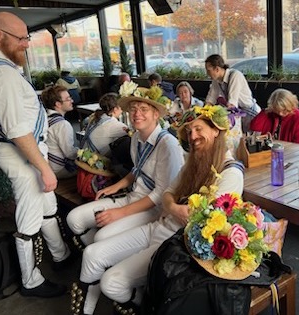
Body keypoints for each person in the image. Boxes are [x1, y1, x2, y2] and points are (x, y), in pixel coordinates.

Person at [69, 104, 244, 315]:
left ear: (216, 130)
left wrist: (173, 208)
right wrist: (174, 208)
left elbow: (205, 223)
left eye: (198, 129)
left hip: (177, 245)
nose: (193, 136)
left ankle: (143, 304)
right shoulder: (195, 162)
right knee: (91, 253)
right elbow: (167, 194)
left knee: (111, 283)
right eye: (189, 132)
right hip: (159, 225)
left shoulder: (230, 173)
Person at [0, 12, 71, 298]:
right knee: (29, 221)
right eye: (21, 38)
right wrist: (45, 168)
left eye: (27, 38)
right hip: (23, 155)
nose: (26, 44)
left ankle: (61, 254)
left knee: (47, 207)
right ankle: (31, 281)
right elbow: (17, 130)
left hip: (27, 153)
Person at [66, 82, 184, 248]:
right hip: (131, 195)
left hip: (154, 209)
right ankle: (95, 250)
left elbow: (162, 194)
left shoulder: (168, 144)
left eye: (144, 109)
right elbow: (137, 170)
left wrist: (119, 213)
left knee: (101, 237)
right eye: (133, 109)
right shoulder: (135, 137)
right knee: (73, 218)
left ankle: (101, 253)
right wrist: (116, 186)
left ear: (156, 114)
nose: (136, 114)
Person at [205, 54, 261, 133]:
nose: (207, 73)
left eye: (208, 70)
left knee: (249, 142)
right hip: (238, 115)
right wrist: (204, 113)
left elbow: (232, 105)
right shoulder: (216, 80)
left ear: (217, 69)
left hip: (250, 114)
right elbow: (210, 100)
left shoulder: (235, 75)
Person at [41, 85, 78, 179]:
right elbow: (70, 153)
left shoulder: (44, 118)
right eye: (68, 99)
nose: (72, 101)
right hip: (59, 170)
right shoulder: (63, 124)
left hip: (45, 166)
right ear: (58, 104)